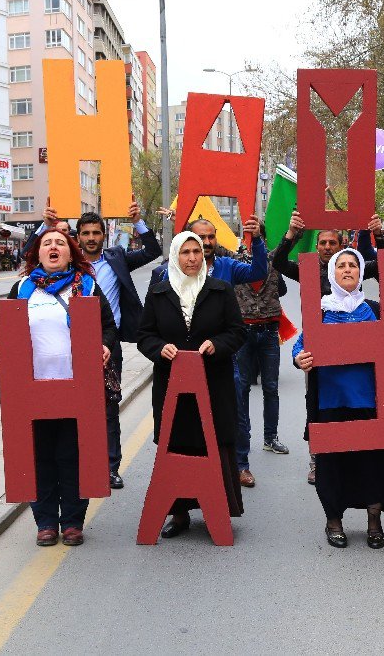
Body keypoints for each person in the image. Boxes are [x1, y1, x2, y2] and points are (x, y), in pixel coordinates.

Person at [0, 228, 116, 546]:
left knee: (72, 456)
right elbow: (5, 330)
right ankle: (45, 522)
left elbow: (109, 327)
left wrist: (105, 345)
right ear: (38, 253)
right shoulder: (22, 288)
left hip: (77, 388)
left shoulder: (86, 286)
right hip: (32, 390)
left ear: (71, 253)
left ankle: (72, 522)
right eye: (48, 243)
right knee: (39, 456)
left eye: (60, 243)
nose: (54, 247)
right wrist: (1, 353)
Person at [293, 248, 384, 548]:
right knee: (332, 466)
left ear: (361, 272)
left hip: (370, 402)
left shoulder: (376, 310)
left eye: (353, 264)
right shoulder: (321, 312)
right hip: (330, 402)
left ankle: (374, 523)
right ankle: (334, 522)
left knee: (372, 465)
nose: (348, 270)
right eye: (341, 266)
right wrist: (299, 358)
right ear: (332, 274)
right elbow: (300, 347)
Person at [137, 231, 247, 539]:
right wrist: (160, 348)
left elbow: (237, 332)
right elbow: (144, 335)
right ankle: (180, 514)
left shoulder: (221, 290)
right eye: (185, 252)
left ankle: (218, 513)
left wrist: (217, 343)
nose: (192, 258)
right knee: (178, 444)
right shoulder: (159, 292)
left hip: (213, 384)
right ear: (175, 256)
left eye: (196, 252)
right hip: (173, 386)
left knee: (213, 444)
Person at [272, 211, 384, 484]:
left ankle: (354, 459)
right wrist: (291, 234)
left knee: (354, 406)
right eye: (322, 243)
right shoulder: (308, 270)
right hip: (319, 349)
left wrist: (379, 235)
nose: (326, 247)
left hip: (356, 350)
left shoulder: (352, 268)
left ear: (340, 247)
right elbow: (277, 262)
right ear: (316, 247)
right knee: (318, 405)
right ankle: (318, 461)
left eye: (332, 243)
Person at [71, 200, 162, 489]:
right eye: (85, 233)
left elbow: (153, 251)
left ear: (103, 235)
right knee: (75, 407)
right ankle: (81, 463)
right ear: (78, 237)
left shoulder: (117, 257)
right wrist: (45, 228)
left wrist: (138, 221)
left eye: (96, 233)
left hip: (110, 345)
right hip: (72, 346)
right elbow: (32, 260)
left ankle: (111, 467)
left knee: (109, 407)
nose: (91, 238)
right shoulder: (68, 265)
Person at [233, 223, 291, 484]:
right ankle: (242, 438)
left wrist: (293, 228)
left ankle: (271, 437)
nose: (251, 240)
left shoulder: (272, 261)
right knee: (241, 388)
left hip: (268, 331)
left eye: (255, 236)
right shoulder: (233, 264)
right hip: (243, 333)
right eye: (246, 236)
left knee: (271, 386)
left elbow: (288, 243)